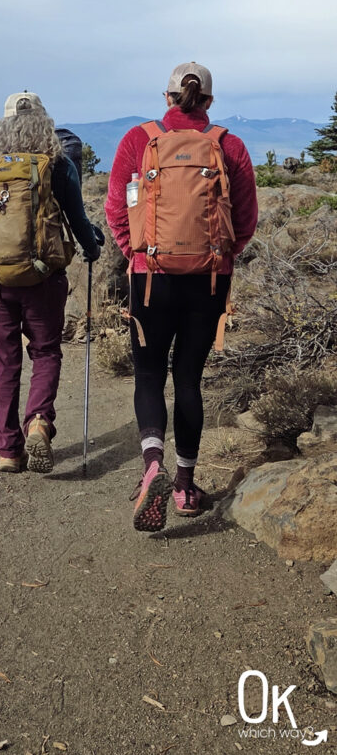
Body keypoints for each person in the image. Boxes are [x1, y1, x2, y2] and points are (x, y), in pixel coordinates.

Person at [105, 63, 258, 529]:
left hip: (151, 276)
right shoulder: (229, 144)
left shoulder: (138, 139)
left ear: (167, 96)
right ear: (208, 101)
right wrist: (220, 257)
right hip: (209, 279)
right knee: (189, 378)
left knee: (149, 375)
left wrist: (136, 254)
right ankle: (185, 485)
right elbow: (246, 217)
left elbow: (116, 204)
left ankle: (152, 461)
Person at [0, 91, 103, 473]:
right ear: (44, 123)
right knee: (45, 351)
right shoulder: (58, 165)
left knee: (4, 363)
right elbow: (78, 221)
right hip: (43, 277)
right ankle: (39, 423)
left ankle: (8, 451)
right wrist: (93, 248)